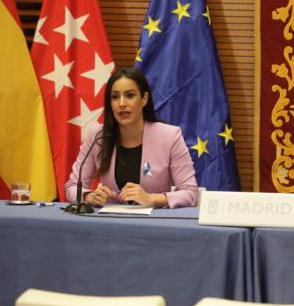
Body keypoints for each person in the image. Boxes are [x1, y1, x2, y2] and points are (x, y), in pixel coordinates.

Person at [64, 67, 198, 208]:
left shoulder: (170, 136)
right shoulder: (98, 136)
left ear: (144, 99)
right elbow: (72, 186)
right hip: (108, 224)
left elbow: (191, 192)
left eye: (129, 95)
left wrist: (152, 199)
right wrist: (88, 196)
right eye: (115, 97)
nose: (122, 104)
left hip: (154, 224)